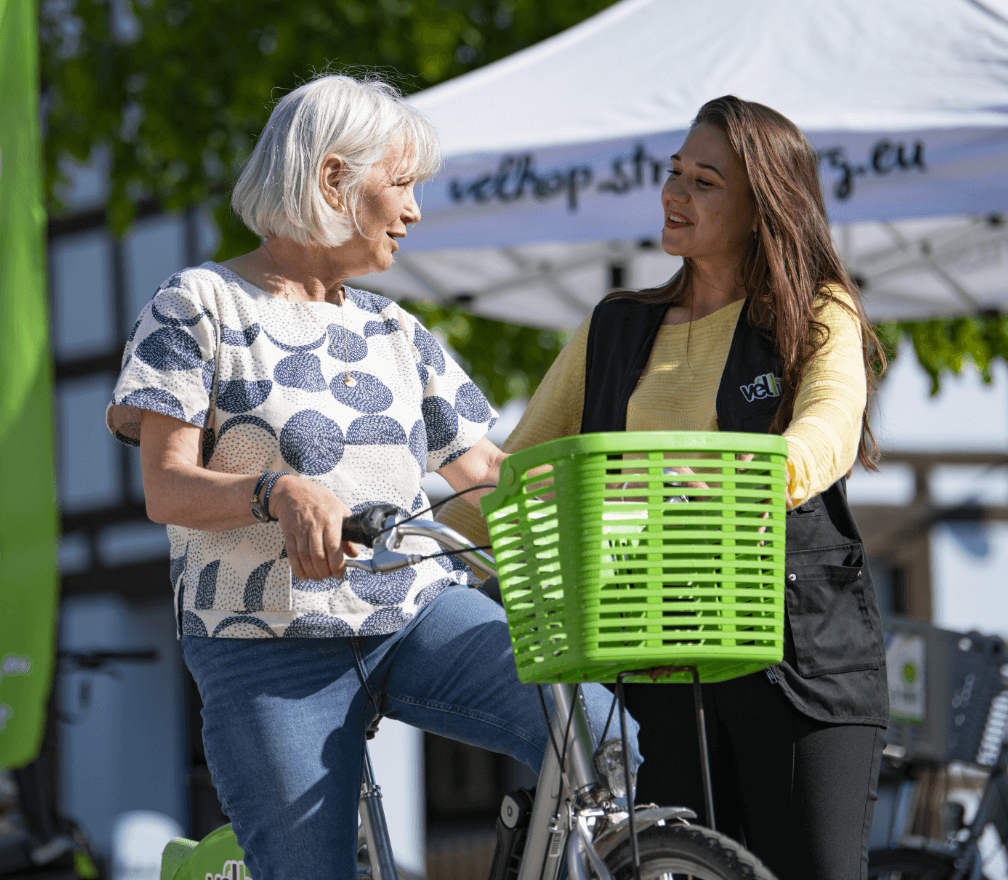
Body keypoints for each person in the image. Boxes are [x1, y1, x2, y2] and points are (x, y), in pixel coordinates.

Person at [105, 73, 638, 880]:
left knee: (601, 737)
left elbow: (489, 475)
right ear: (333, 180)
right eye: (402, 185)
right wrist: (274, 491)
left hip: (415, 613)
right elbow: (167, 486)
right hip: (265, 640)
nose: (416, 210)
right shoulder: (198, 305)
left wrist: (623, 495)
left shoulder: (394, 328)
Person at [439, 96, 890, 880]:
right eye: (674, 172)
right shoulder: (614, 327)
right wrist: (408, 533)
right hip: (653, 658)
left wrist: (738, 479)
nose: (674, 193)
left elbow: (827, 431)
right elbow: (517, 480)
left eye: (704, 182)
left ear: (763, 206)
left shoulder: (817, 312)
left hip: (798, 662)